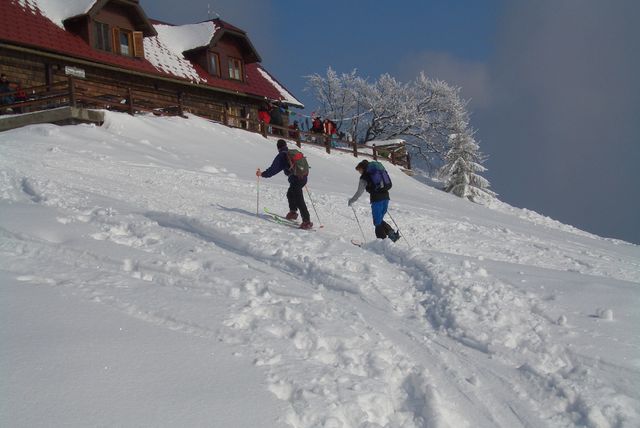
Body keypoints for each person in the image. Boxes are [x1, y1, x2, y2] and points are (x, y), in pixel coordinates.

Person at [257, 139, 313, 229]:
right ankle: (293, 212)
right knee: (290, 193)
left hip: (297, 179)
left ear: (278, 148)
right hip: (303, 177)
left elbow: (273, 170)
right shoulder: (291, 152)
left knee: (298, 198)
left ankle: (306, 221)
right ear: (285, 145)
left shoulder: (282, 156)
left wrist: (262, 174)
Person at [348, 159, 399, 241]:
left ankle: (382, 243)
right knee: (379, 220)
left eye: (359, 170)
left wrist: (352, 200)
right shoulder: (378, 171)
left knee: (377, 223)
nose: (359, 172)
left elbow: (359, 192)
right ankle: (392, 234)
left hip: (376, 199)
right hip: (386, 197)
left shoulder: (365, 176)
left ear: (362, 168)